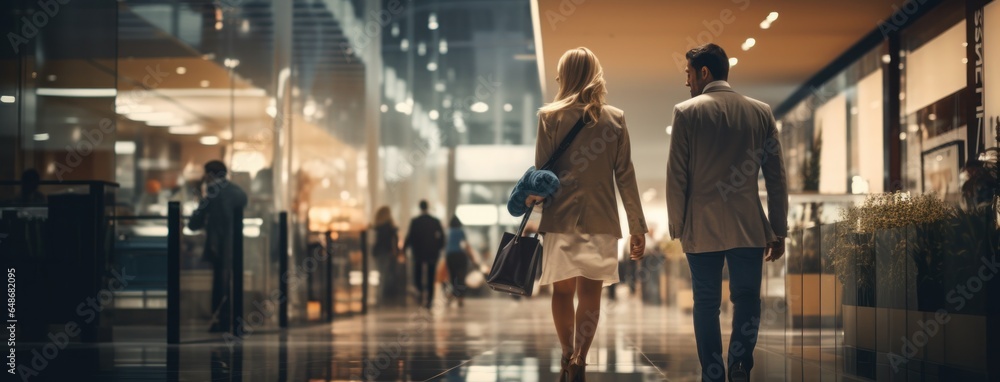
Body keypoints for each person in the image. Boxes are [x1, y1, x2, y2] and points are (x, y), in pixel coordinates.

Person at [666, 43, 788, 382]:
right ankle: (739, 365)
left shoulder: (686, 112)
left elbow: (677, 175)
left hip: (701, 225)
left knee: (706, 302)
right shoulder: (760, 112)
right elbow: (776, 177)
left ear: (704, 73)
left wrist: (678, 226)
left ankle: (713, 371)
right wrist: (778, 229)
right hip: (747, 225)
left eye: (688, 75)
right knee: (747, 298)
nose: (686, 83)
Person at [526, 47, 647, 382]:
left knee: (561, 292)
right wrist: (637, 226)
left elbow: (542, 173)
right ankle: (581, 357)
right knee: (591, 294)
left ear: (565, 76)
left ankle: (567, 353)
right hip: (601, 220)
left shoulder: (549, 117)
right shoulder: (615, 118)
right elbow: (625, 174)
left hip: (560, 219)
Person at [187, 160, 248, 332]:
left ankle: (220, 320)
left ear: (211, 175)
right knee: (230, 281)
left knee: (220, 284)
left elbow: (194, 223)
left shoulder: (213, 192)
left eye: (205, 173)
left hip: (218, 245)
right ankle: (233, 319)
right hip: (233, 243)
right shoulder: (236, 191)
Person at [403, 200, 445, 309]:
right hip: (432, 253)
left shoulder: (415, 221)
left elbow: (410, 237)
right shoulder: (435, 221)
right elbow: (442, 237)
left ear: (419, 207)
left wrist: (404, 250)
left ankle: (421, 293)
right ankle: (430, 299)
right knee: (431, 276)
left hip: (418, 253)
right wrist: (439, 248)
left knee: (418, 274)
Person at [373, 206, 404, 305]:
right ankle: (382, 296)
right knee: (385, 275)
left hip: (378, 253)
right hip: (387, 253)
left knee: (380, 274)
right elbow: (395, 241)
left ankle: (378, 295)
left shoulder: (376, 227)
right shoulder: (390, 227)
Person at [444, 216, 477, 307]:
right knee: (461, 277)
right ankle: (460, 299)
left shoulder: (448, 232)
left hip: (450, 256)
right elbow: (466, 245)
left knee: (452, 278)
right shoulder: (460, 231)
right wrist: (473, 259)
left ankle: (451, 296)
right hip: (460, 256)